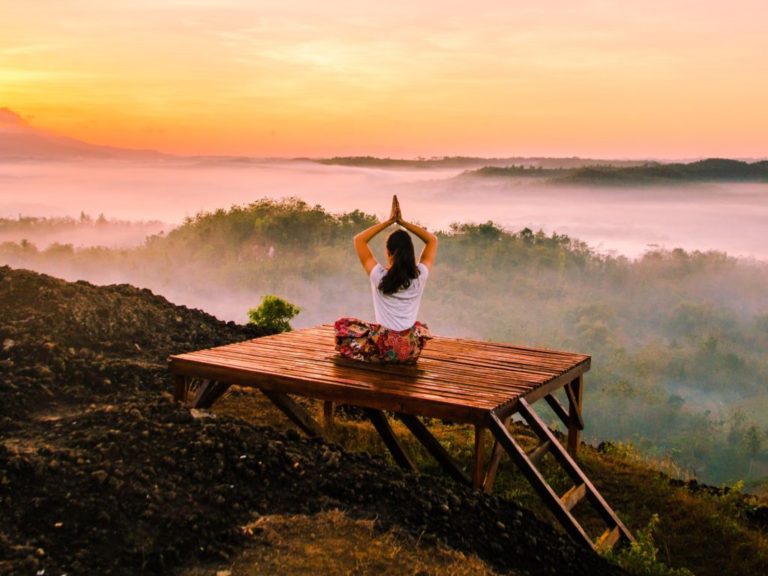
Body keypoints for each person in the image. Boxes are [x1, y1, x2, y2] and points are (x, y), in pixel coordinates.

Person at [334, 196, 438, 363]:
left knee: (342, 325)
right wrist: (403, 222)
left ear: (388, 253)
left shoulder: (379, 276)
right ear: (411, 254)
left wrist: (389, 222)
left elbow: (359, 240)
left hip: (383, 349)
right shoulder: (420, 276)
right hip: (409, 351)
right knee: (418, 327)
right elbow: (432, 240)